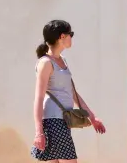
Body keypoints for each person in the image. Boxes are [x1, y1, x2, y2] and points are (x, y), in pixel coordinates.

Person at [32, 19, 108, 161]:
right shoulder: (46, 63)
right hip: (53, 121)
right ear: (62, 37)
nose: (71, 37)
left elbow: (73, 93)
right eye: (70, 34)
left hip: (62, 121)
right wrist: (38, 132)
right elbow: (39, 98)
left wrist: (92, 117)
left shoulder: (62, 60)